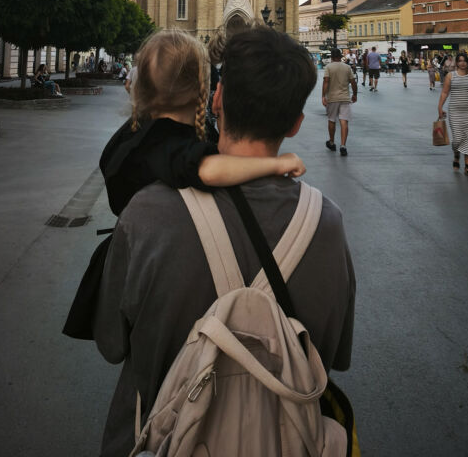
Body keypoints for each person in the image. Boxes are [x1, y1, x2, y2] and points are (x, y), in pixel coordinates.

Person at [94, 28, 355, 457]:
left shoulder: (148, 212)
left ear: (216, 99)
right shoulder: (328, 224)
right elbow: (332, 356)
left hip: (161, 440)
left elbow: (111, 342)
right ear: (296, 124)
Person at [99, 29, 306, 218]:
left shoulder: (136, 131)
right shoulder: (170, 143)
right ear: (204, 89)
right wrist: (276, 164)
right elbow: (209, 171)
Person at [438, 50, 468, 177]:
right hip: (455, 112)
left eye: (464, 61)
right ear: (456, 63)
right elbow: (444, 92)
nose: (462, 63)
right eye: (460, 61)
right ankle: (456, 154)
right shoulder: (451, 76)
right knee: (457, 139)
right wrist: (440, 107)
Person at [322, 47, 357, 156]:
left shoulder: (328, 67)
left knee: (332, 120)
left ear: (332, 57)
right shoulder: (347, 67)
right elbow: (353, 82)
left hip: (332, 98)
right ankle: (343, 145)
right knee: (344, 121)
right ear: (340, 56)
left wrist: (323, 96)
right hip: (345, 98)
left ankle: (332, 142)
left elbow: (326, 82)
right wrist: (355, 94)